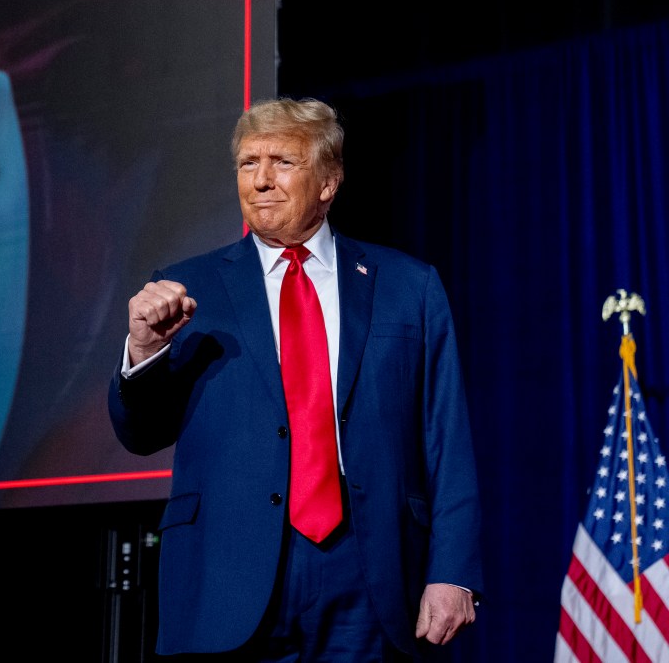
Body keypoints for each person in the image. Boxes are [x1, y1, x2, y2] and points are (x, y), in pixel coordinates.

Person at [108, 97, 484, 661]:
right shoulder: (188, 288)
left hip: (369, 569)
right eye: (247, 164)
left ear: (329, 181)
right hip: (227, 572)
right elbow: (140, 433)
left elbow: (446, 439)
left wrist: (452, 571)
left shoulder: (409, 286)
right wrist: (143, 348)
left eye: (282, 162)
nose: (261, 181)